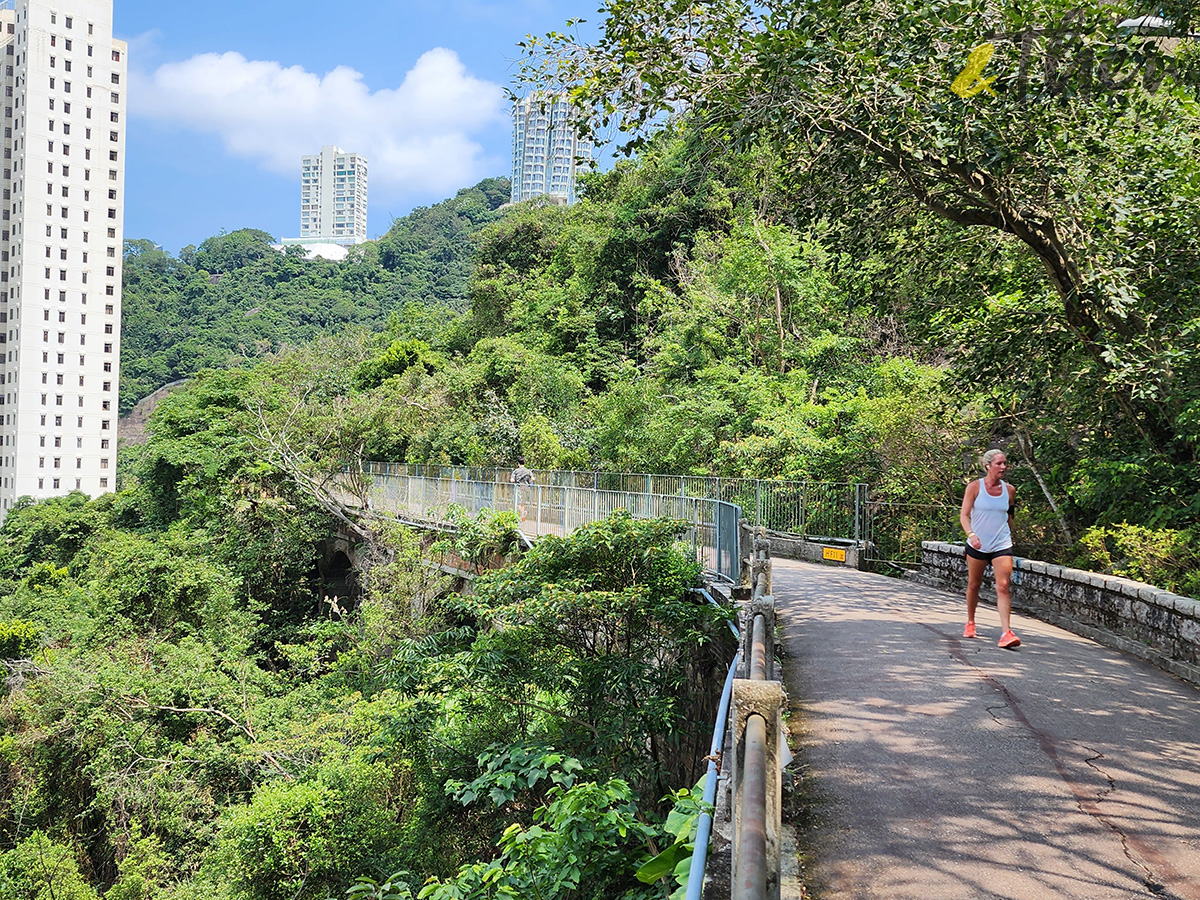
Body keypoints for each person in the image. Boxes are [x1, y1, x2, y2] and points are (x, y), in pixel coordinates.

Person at [959, 449, 1020, 648]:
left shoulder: (1009, 490)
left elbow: (1009, 515)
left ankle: (1006, 633)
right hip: (978, 544)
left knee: (1002, 586)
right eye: (999, 463)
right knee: (974, 585)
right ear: (987, 465)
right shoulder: (975, 487)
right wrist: (971, 535)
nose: (1003, 467)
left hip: (1001, 544)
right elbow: (964, 515)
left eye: (1005, 463)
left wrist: (1010, 535)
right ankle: (970, 621)